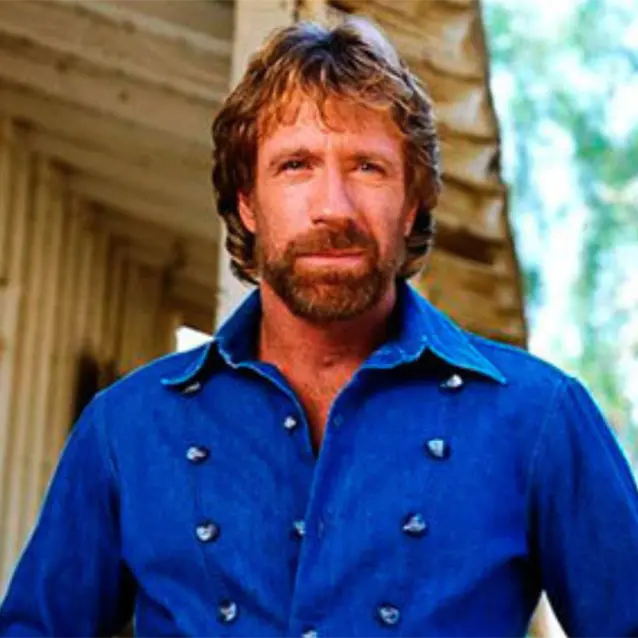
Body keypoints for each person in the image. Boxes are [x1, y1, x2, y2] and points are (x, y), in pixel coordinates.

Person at [1, 17, 637, 638]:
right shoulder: (127, 427)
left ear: (411, 203)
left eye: (368, 167)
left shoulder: (539, 418)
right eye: (295, 165)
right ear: (247, 203)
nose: (333, 207)